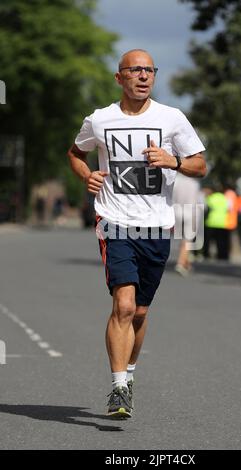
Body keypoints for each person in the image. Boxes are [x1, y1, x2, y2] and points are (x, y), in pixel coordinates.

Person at [67, 49, 206, 419]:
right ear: (119, 77)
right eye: (135, 70)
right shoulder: (99, 120)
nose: (144, 76)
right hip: (114, 221)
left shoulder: (172, 118)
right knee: (124, 306)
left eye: (149, 71)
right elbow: (75, 153)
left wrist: (172, 160)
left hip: (157, 226)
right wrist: (87, 176)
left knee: (140, 312)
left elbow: (200, 164)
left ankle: (129, 375)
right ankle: (118, 389)